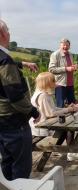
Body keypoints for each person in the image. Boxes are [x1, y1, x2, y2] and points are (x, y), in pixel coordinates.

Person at [0, 19, 40, 180]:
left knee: (7, 159)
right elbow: (14, 95)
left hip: (2, 121)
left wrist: (21, 63)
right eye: (8, 31)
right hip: (13, 120)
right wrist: (34, 111)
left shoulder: (4, 60)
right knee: (21, 164)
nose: (9, 34)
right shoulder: (4, 59)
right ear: (2, 33)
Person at [49, 38, 78, 108]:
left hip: (70, 83)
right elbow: (51, 69)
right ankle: (61, 119)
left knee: (72, 104)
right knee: (60, 106)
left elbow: (69, 67)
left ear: (69, 46)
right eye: (64, 45)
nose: (65, 47)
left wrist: (74, 67)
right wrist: (66, 68)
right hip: (60, 84)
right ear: (60, 45)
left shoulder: (70, 54)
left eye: (67, 45)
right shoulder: (55, 54)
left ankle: (74, 119)